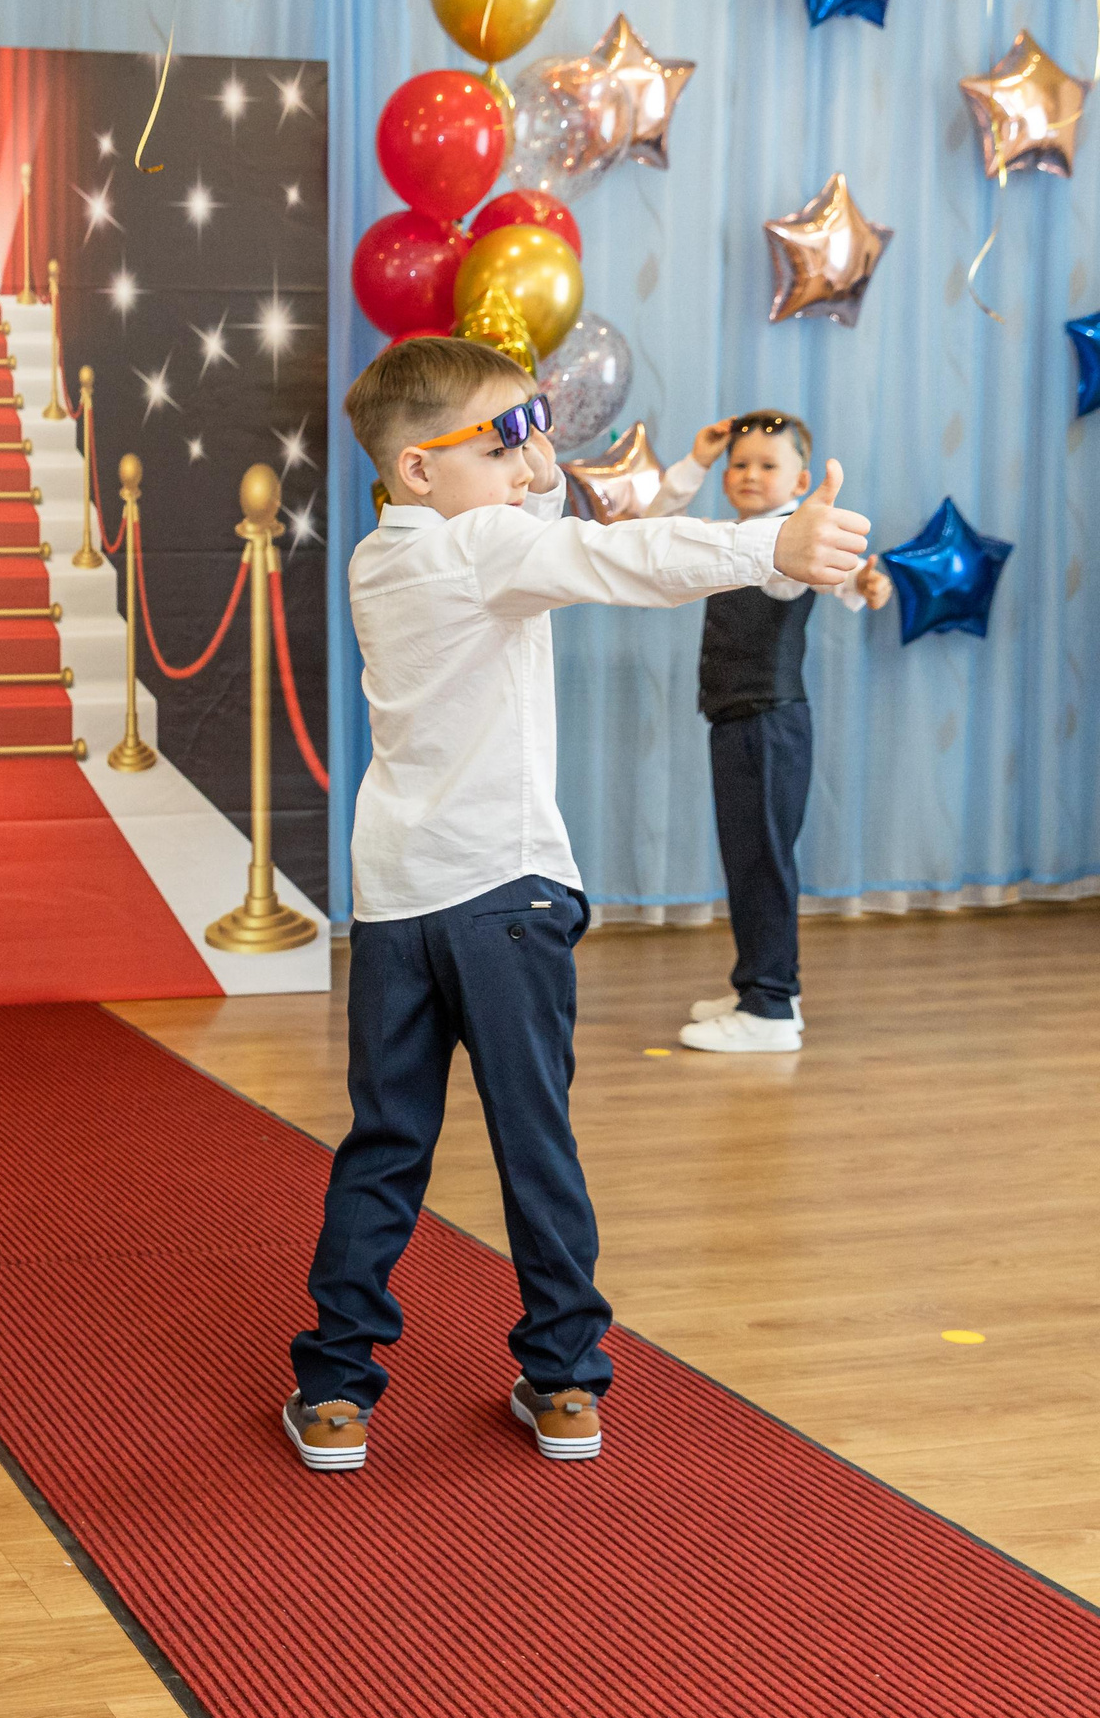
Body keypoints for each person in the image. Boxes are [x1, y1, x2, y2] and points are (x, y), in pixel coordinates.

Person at [284, 339, 871, 1475]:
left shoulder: (380, 556)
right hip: (504, 892)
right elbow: (628, 558)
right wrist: (773, 543)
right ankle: (562, 1380)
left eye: (537, 425)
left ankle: (335, 1388)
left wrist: (526, 455)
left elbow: (546, 505)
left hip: (397, 902)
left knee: (384, 1145)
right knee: (533, 1140)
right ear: (417, 469)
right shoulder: (488, 547)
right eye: (505, 434)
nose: (532, 453)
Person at [644, 412, 891, 1055]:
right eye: (739, 464)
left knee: (762, 863)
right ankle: (765, 985)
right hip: (740, 720)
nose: (750, 474)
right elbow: (648, 529)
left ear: (801, 480)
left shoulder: (786, 542)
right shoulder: (732, 535)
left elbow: (834, 578)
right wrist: (695, 461)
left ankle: (771, 1006)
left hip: (767, 723)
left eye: (768, 465)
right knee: (750, 859)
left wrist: (864, 581)